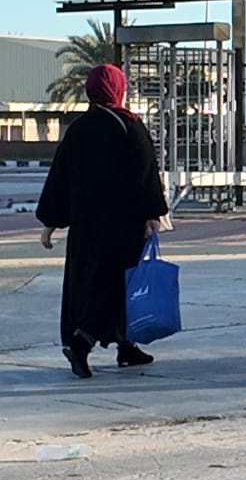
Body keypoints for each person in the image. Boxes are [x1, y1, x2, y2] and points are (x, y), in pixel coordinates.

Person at [36, 64, 170, 379]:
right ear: (119, 89)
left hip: (85, 228)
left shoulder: (78, 130)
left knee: (88, 284)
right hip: (123, 227)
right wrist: (153, 214)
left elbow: (60, 179)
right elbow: (146, 174)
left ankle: (126, 347)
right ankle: (82, 344)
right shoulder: (130, 126)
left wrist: (49, 223)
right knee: (117, 286)